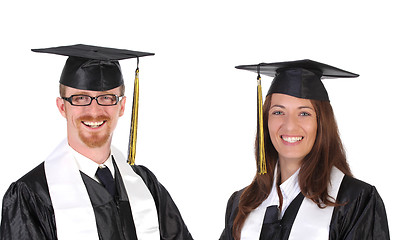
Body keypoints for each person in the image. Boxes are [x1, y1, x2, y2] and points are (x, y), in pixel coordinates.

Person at [0, 44, 193, 240]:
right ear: (62, 107)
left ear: (122, 106)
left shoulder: (146, 185)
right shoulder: (31, 194)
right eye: (80, 98)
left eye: (107, 98)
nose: (94, 111)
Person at [219, 59, 390, 240]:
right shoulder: (242, 204)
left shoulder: (355, 201)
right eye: (278, 112)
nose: (290, 126)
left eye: (304, 113)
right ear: (265, 122)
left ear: (321, 123)